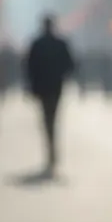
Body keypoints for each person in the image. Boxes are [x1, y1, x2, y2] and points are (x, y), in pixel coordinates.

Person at [25, 14, 75, 171]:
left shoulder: (37, 44)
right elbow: (70, 65)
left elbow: (29, 67)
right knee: (53, 117)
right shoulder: (60, 44)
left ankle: (50, 148)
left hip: (42, 88)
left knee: (47, 118)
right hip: (55, 87)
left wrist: (32, 85)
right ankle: (52, 149)